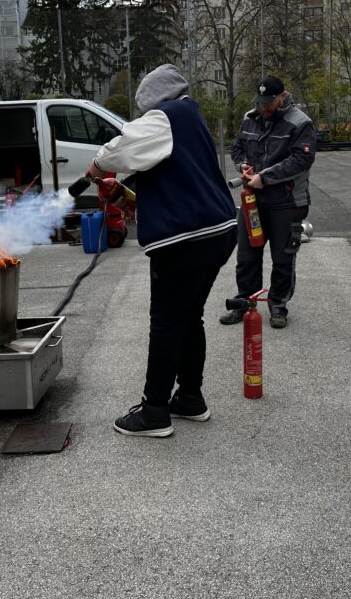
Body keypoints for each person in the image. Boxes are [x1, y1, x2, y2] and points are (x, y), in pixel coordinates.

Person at [86, 64, 237, 438]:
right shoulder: (191, 118)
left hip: (187, 241)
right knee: (189, 317)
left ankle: (154, 411)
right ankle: (190, 398)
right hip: (217, 232)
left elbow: (123, 147)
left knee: (167, 322)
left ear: (152, 101)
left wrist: (98, 165)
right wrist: (121, 194)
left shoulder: (167, 116)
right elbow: (168, 181)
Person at [220, 75, 316, 329]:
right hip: (253, 201)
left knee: (283, 258)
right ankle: (245, 302)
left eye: (269, 101)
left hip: (286, 201)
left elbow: (302, 159)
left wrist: (265, 177)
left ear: (282, 97)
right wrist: (242, 164)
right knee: (246, 255)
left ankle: (278, 306)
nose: (263, 106)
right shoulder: (249, 118)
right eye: (260, 101)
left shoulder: (300, 123)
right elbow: (237, 147)